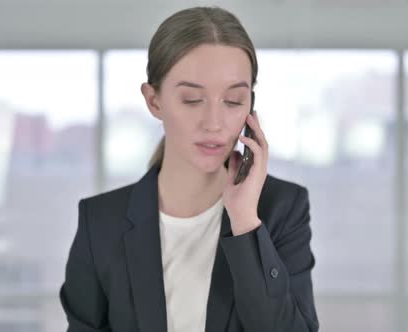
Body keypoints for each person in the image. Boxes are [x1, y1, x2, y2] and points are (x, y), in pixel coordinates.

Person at [59, 6, 319, 332]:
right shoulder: (100, 223)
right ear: (154, 101)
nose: (213, 123)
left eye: (234, 101)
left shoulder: (283, 208)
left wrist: (245, 223)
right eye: (192, 100)